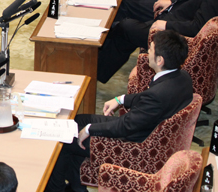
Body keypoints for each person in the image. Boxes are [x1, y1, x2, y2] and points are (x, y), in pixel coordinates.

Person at [45, 30, 193, 192]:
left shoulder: (158, 95)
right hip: (141, 126)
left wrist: (89, 129)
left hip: (133, 144)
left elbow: (125, 126)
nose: (147, 51)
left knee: (63, 138)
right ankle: (76, 187)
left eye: (150, 49)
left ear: (159, 60)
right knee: (76, 122)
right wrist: (121, 99)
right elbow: (147, 99)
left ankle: (55, 188)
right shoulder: (182, 77)